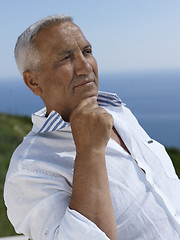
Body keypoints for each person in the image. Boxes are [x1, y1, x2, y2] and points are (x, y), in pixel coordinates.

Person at [4, 14, 180, 240]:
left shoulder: (120, 112)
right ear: (33, 82)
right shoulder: (29, 168)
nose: (85, 66)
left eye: (87, 52)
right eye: (66, 58)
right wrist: (90, 152)